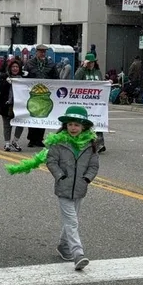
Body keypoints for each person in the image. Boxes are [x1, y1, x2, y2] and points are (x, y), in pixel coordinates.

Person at [46, 106, 99, 270]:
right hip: (63, 187)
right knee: (72, 221)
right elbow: (51, 161)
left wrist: (86, 178)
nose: (73, 128)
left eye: (76, 125)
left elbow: (94, 165)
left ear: (84, 126)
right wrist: (60, 176)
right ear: (65, 126)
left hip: (80, 189)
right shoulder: (59, 142)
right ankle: (78, 254)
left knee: (71, 220)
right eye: (70, 125)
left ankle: (63, 246)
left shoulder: (90, 144)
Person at [24, 44, 58, 147]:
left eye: (44, 52)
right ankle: (31, 139)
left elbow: (56, 77)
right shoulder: (29, 63)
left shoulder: (51, 64)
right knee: (33, 114)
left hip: (45, 93)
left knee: (43, 116)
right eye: (40, 51)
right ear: (36, 52)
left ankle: (39, 138)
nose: (42, 53)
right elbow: (25, 76)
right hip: (33, 92)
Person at [0, 58, 24, 152]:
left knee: (20, 124)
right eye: (13, 67)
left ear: (19, 68)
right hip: (7, 105)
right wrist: (6, 83)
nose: (15, 68)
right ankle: (7, 144)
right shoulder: (4, 77)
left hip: (19, 106)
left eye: (17, 67)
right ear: (10, 68)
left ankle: (15, 141)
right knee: (7, 125)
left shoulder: (24, 79)